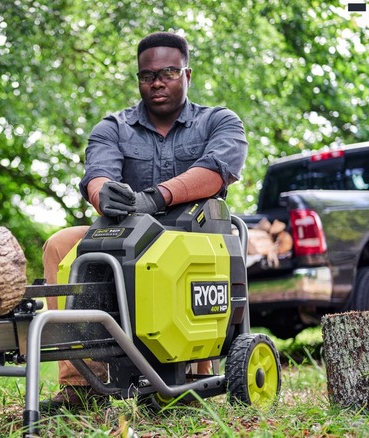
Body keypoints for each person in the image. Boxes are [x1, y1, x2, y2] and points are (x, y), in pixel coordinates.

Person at [40, 31, 249, 411]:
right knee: (59, 245)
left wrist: (155, 197)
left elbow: (217, 170)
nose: (156, 82)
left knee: (178, 255)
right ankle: (79, 382)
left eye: (168, 72)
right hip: (123, 234)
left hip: (195, 235)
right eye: (146, 75)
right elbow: (97, 174)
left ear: (187, 74)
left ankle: (192, 374)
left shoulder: (219, 121)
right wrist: (103, 193)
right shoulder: (113, 127)